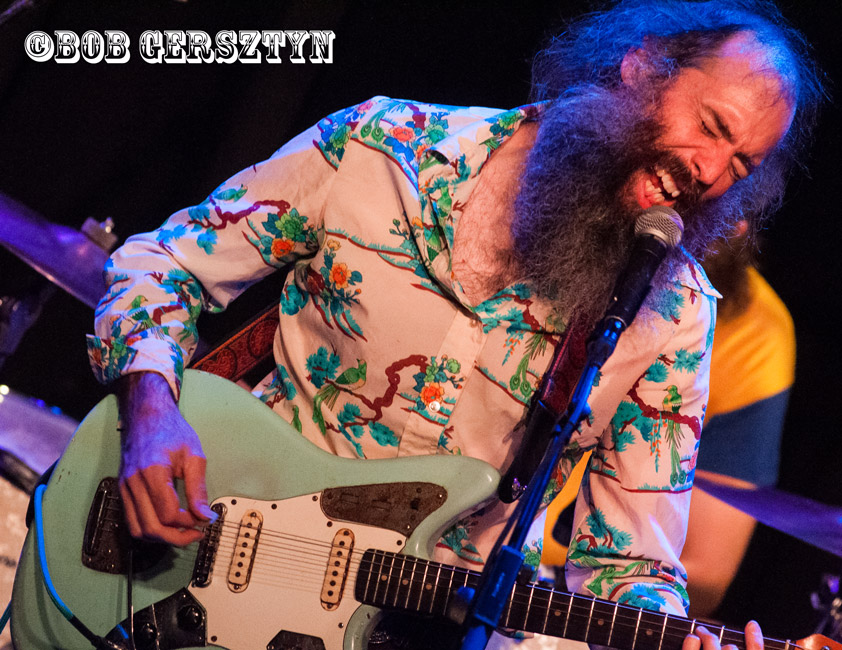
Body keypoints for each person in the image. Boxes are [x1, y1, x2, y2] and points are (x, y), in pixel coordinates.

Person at [86, 0, 823, 646]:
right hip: (209, 561)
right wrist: (153, 403)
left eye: (743, 163)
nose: (710, 172)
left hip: (432, 627)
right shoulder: (384, 146)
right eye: (712, 126)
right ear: (642, 70)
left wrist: (668, 634)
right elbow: (161, 266)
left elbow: (627, 564)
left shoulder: (677, 312)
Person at [540, 223, 796, 620]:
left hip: (566, 599)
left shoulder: (757, 331)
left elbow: (708, 574)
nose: (737, 219)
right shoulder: (556, 235)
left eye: (743, 172)